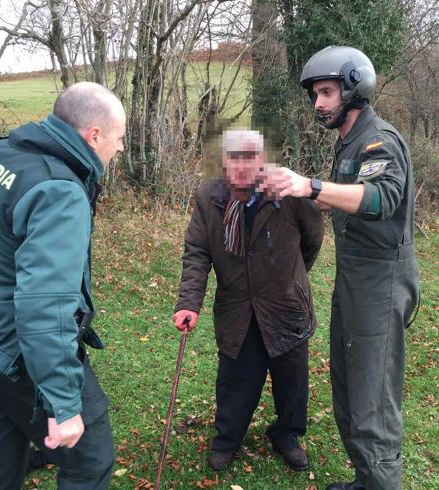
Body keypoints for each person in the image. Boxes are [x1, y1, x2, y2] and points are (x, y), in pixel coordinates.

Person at [0, 82, 126, 489]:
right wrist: (64, 404)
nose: (119, 149)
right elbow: (45, 306)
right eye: (118, 139)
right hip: (19, 360)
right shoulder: (59, 191)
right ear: (93, 135)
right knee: (90, 462)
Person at [260, 46, 420, 489]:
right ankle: (366, 480)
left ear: (354, 88)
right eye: (315, 95)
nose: (319, 103)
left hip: (381, 283)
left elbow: (380, 197)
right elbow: (347, 200)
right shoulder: (349, 142)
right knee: (349, 388)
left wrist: (309, 186)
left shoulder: (379, 140)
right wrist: (301, 193)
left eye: (327, 93)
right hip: (354, 280)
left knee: (373, 401)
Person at [173, 130, 324, 473]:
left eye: (249, 157)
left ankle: (287, 435)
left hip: (286, 305)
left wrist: (290, 278)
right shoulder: (209, 197)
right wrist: (188, 303)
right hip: (237, 307)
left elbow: (312, 240)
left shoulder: (289, 192)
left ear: (262, 160)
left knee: (292, 380)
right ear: (223, 161)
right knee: (236, 379)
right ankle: (227, 439)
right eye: (234, 157)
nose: (241, 166)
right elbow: (197, 252)